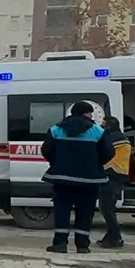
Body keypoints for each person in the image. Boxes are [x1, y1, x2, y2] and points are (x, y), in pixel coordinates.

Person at [41, 101, 115, 254]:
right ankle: (82, 246)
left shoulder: (56, 130)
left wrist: (57, 162)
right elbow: (108, 153)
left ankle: (60, 244)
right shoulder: (98, 132)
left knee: (62, 210)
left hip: (62, 178)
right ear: (87, 114)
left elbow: (46, 150)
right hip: (89, 180)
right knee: (85, 211)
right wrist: (95, 164)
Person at [97, 115, 132, 249]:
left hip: (114, 176)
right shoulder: (118, 137)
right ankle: (111, 236)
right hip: (114, 176)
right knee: (106, 208)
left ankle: (115, 237)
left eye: (103, 125)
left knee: (107, 208)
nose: (101, 127)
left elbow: (101, 148)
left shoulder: (116, 138)